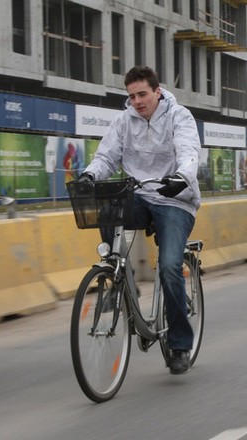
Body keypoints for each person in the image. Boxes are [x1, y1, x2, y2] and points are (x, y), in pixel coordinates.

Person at [75, 66, 201, 375]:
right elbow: (106, 157)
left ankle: (180, 344)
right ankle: (120, 271)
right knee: (107, 207)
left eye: (142, 94)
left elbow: (189, 151)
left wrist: (182, 177)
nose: (137, 101)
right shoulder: (123, 121)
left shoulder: (179, 117)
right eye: (131, 96)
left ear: (157, 91)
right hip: (141, 195)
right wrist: (91, 174)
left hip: (174, 198)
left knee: (170, 267)